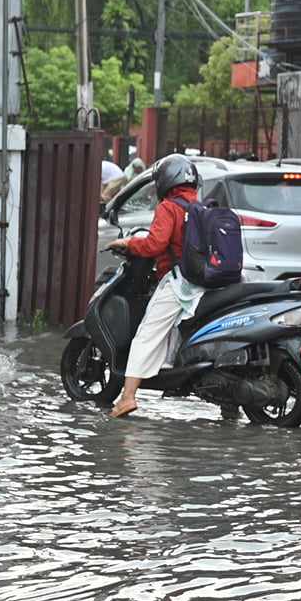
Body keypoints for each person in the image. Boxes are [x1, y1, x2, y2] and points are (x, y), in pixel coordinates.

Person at [104, 155, 205, 420]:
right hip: (202, 282)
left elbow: (154, 245)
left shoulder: (170, 207)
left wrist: (128, 245)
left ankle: (127, 398)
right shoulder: (199, 206)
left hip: (178, 283)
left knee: (146, 335)